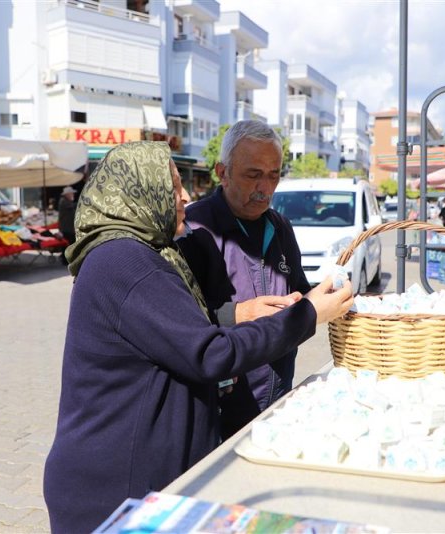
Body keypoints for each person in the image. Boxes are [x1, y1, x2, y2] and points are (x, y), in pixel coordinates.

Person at [43, 141, 353, 533]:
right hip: (116, 490)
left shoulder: (144, 254)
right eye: (173, 186)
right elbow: (210, 352)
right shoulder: (126, 262)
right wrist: (306, 316)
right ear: (138, 191)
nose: (185, 196)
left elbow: (186, 338)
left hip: (142, 481)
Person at [177, 120, 312, 439]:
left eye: (274, 175)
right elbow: (174, 324)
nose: (265, 188)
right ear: (221, 172)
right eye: (253, 175)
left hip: (277, 398)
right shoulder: (192, 230)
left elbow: (301, 289)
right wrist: (237, 314)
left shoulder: (280, 227)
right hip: (217, 413)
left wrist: (312, 300)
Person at [57, 186, 77, 264]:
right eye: (71, 193)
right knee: (67, 244)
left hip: (69, 227)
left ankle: (67, 259)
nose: (73, 195)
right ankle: (65, 260)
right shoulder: (63, 201)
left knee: (69, 244)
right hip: (66, 228)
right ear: (67, 194)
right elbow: (73, 206)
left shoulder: (67, 201)